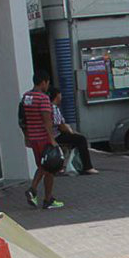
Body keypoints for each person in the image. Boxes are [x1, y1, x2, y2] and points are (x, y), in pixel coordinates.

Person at [20, 70, 64, 209]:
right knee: (49, 167)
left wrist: (26, 136)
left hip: (33, 138)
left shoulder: (26, 97)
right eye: (47, 83)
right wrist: (52, 140)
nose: (48, 86)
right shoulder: (43, 98)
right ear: (44, 82)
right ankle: (37, 192)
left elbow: (22, 118)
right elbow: (47, 121)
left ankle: (46, 197)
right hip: (44, 138)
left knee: (43, 166)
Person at [47, 87, 99, 175]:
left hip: (53, 135)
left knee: (76, 139)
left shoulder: (49, 107)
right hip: (56, 136)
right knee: (81, 139)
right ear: (57, 96)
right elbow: (60, 125)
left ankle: (71, 165)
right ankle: (87, 167)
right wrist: (71, 131)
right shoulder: (53, 108)